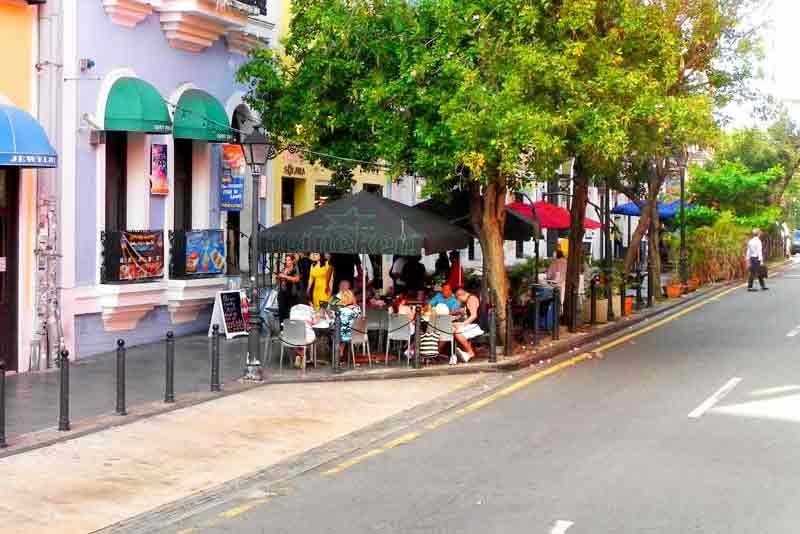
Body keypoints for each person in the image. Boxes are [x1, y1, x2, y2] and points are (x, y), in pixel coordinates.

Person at [452, 287, 484, 363]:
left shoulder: (471, 299)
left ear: (459, 296)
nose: (459, 301)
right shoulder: (468, 300)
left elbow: (474, 316)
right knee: (453, 326)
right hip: (473, 324)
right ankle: (462, 352)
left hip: (477, 325)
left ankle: (470, 352)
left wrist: (462, 324)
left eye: (458, 299)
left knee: (457, 332)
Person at [289, 294, 317, 368]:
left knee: (295, 339)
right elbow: (315, 322)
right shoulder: (310, 309)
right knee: (305, 337)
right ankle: (303, 356)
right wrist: (313, 307)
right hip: (306, 336)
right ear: (308, 300)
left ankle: (299, 356)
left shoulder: (293, 308)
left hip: (292, 336)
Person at [337, 289, 362, 361]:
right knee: (345, 330)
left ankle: (338, 354)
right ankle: (342, 352)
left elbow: (333, 323)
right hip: (356, 335)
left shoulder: (340, 310)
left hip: (344, 336)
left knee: (334, 334)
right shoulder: (358, 309)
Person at [276, 254, 301, 321]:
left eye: (289, 260)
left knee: (290, 312)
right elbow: (278, 278)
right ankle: (282, 328)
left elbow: (296, 279)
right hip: (283, 293)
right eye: (286, 260)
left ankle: (290, 328)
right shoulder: (283, 269)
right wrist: (280, 276)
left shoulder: (295, 268)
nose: (287, 262)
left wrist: (285, 276)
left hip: (292, 293)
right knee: (281, 311)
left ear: (292, 261)